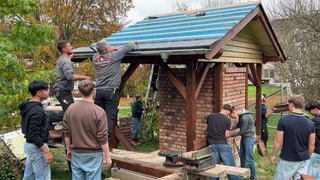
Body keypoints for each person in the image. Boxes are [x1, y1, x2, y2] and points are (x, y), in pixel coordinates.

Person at [63, 80, 112, 179]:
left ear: (80, 92)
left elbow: (66, 132)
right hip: (93, 153)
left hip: (76, 152)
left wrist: (68, 149)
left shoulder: (70, 109)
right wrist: (107, 155)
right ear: (94, 91)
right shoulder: (99, 111)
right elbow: (102, 137)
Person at [92, 40, 138, 143]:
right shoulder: (114, 56)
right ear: (107, 49)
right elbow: (127, 48)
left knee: (98, 116)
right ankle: (106, 142)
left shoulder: (95, 58)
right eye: (109, 46)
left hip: (99, 91)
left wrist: (108, 50)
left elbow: (101, 53)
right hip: (111, 92)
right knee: (109, 117)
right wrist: (133, 42)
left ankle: (95, 139)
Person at [270, 95, 315, 180]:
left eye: (289, 104)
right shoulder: (310, 123)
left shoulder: (284, 120)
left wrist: (273, 155)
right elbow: (312, 145)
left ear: (292, 105)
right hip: (303, 159)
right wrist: (307, 156)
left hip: (287, 158)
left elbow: (278, 140)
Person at [19, 80, 54, 180]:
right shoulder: (37, 110)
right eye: (46, 90)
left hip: (30, 146)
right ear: (39, 93)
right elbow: (33, 134)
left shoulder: (28, 106)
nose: (48, 92)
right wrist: (46, 152)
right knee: (42, 177)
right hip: (37, 147)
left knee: (29, 177)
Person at [53, 41, 91, 112]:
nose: (72, 47)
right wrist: (85, 77)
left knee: (69, 111)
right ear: (64, 49)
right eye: (70, 46)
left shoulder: (61, 59)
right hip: (64, 91)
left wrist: (69, 59)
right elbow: (70, 76)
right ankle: (49, 118)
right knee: (70, 113)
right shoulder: (66, 62)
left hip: (61, 90)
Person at [207, 104, 241, 180]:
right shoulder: (227, 120)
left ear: (222, 108)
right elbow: (226, 135)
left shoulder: (211, 116)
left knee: (214, 169)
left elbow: (207, 128)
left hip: (211, 144)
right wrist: (232, 132)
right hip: (222, 144)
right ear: (229, 113)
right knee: (230, 167)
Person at [231, 107, 257, 180]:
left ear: (234, 112)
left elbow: (242, 132)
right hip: (245, 138)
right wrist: (229, 129)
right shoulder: (242, 115)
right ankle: (242, 173)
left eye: (231, 116)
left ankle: (254, 177)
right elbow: (238, 125)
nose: (232, 117)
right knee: (242, 156)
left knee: (249, 158)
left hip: (249, 138)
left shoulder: (245, 117)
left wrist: (230, 135)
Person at [304, 100, 320, 179]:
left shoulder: (316, 121)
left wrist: (304, 118)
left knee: (310, 175)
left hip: (317, 152)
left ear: (316, 109)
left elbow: (307, 125)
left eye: (310, 111)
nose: (310, 113)